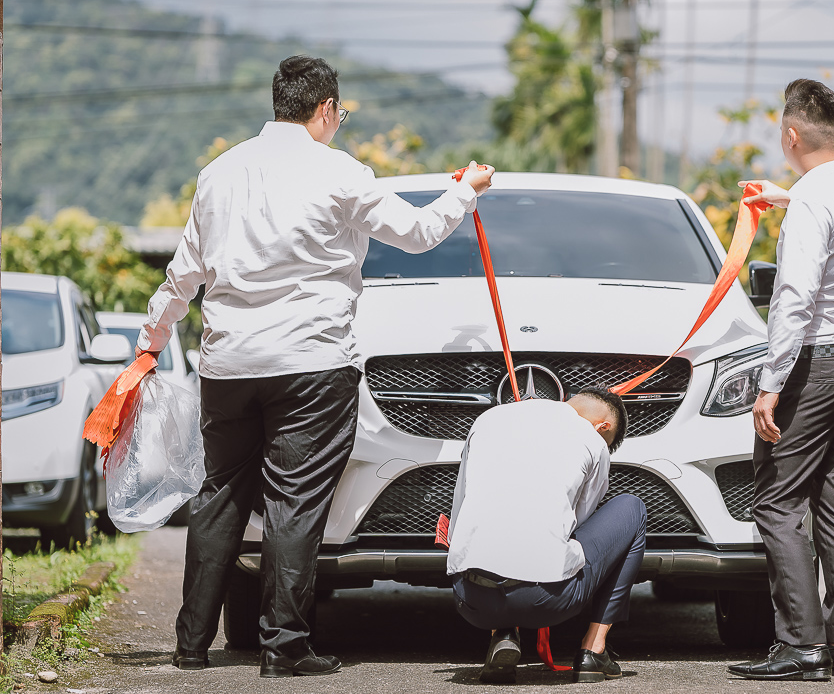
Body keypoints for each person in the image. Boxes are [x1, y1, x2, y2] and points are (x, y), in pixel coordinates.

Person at [137, 55, 494, 678]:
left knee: (219, 496)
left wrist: (149, 345)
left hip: (228, 363)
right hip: (310, 362)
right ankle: (284, 647)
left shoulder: (217, 174)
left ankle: (191, 645)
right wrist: (465, 190)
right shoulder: (341, 172)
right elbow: (416, 233)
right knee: (294, 502)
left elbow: (181, 276)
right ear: (325, 110)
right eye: (341, 114)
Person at [726, 79, 834, 682]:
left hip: (812, 367)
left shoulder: (813, 202)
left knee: (777, 498)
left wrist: (770, 381)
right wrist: (785, 199)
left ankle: (801, 645)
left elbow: (793, 294)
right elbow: (823, 215)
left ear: (790, 136)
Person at [447, 388, 645, 685]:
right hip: (546, 600)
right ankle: (594, 650)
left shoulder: (488, 420)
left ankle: (502, 635)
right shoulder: (592, 440)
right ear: (602, 426)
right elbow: (578, 522)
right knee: (633, 508)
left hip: (471, 600)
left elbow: (461, 507)